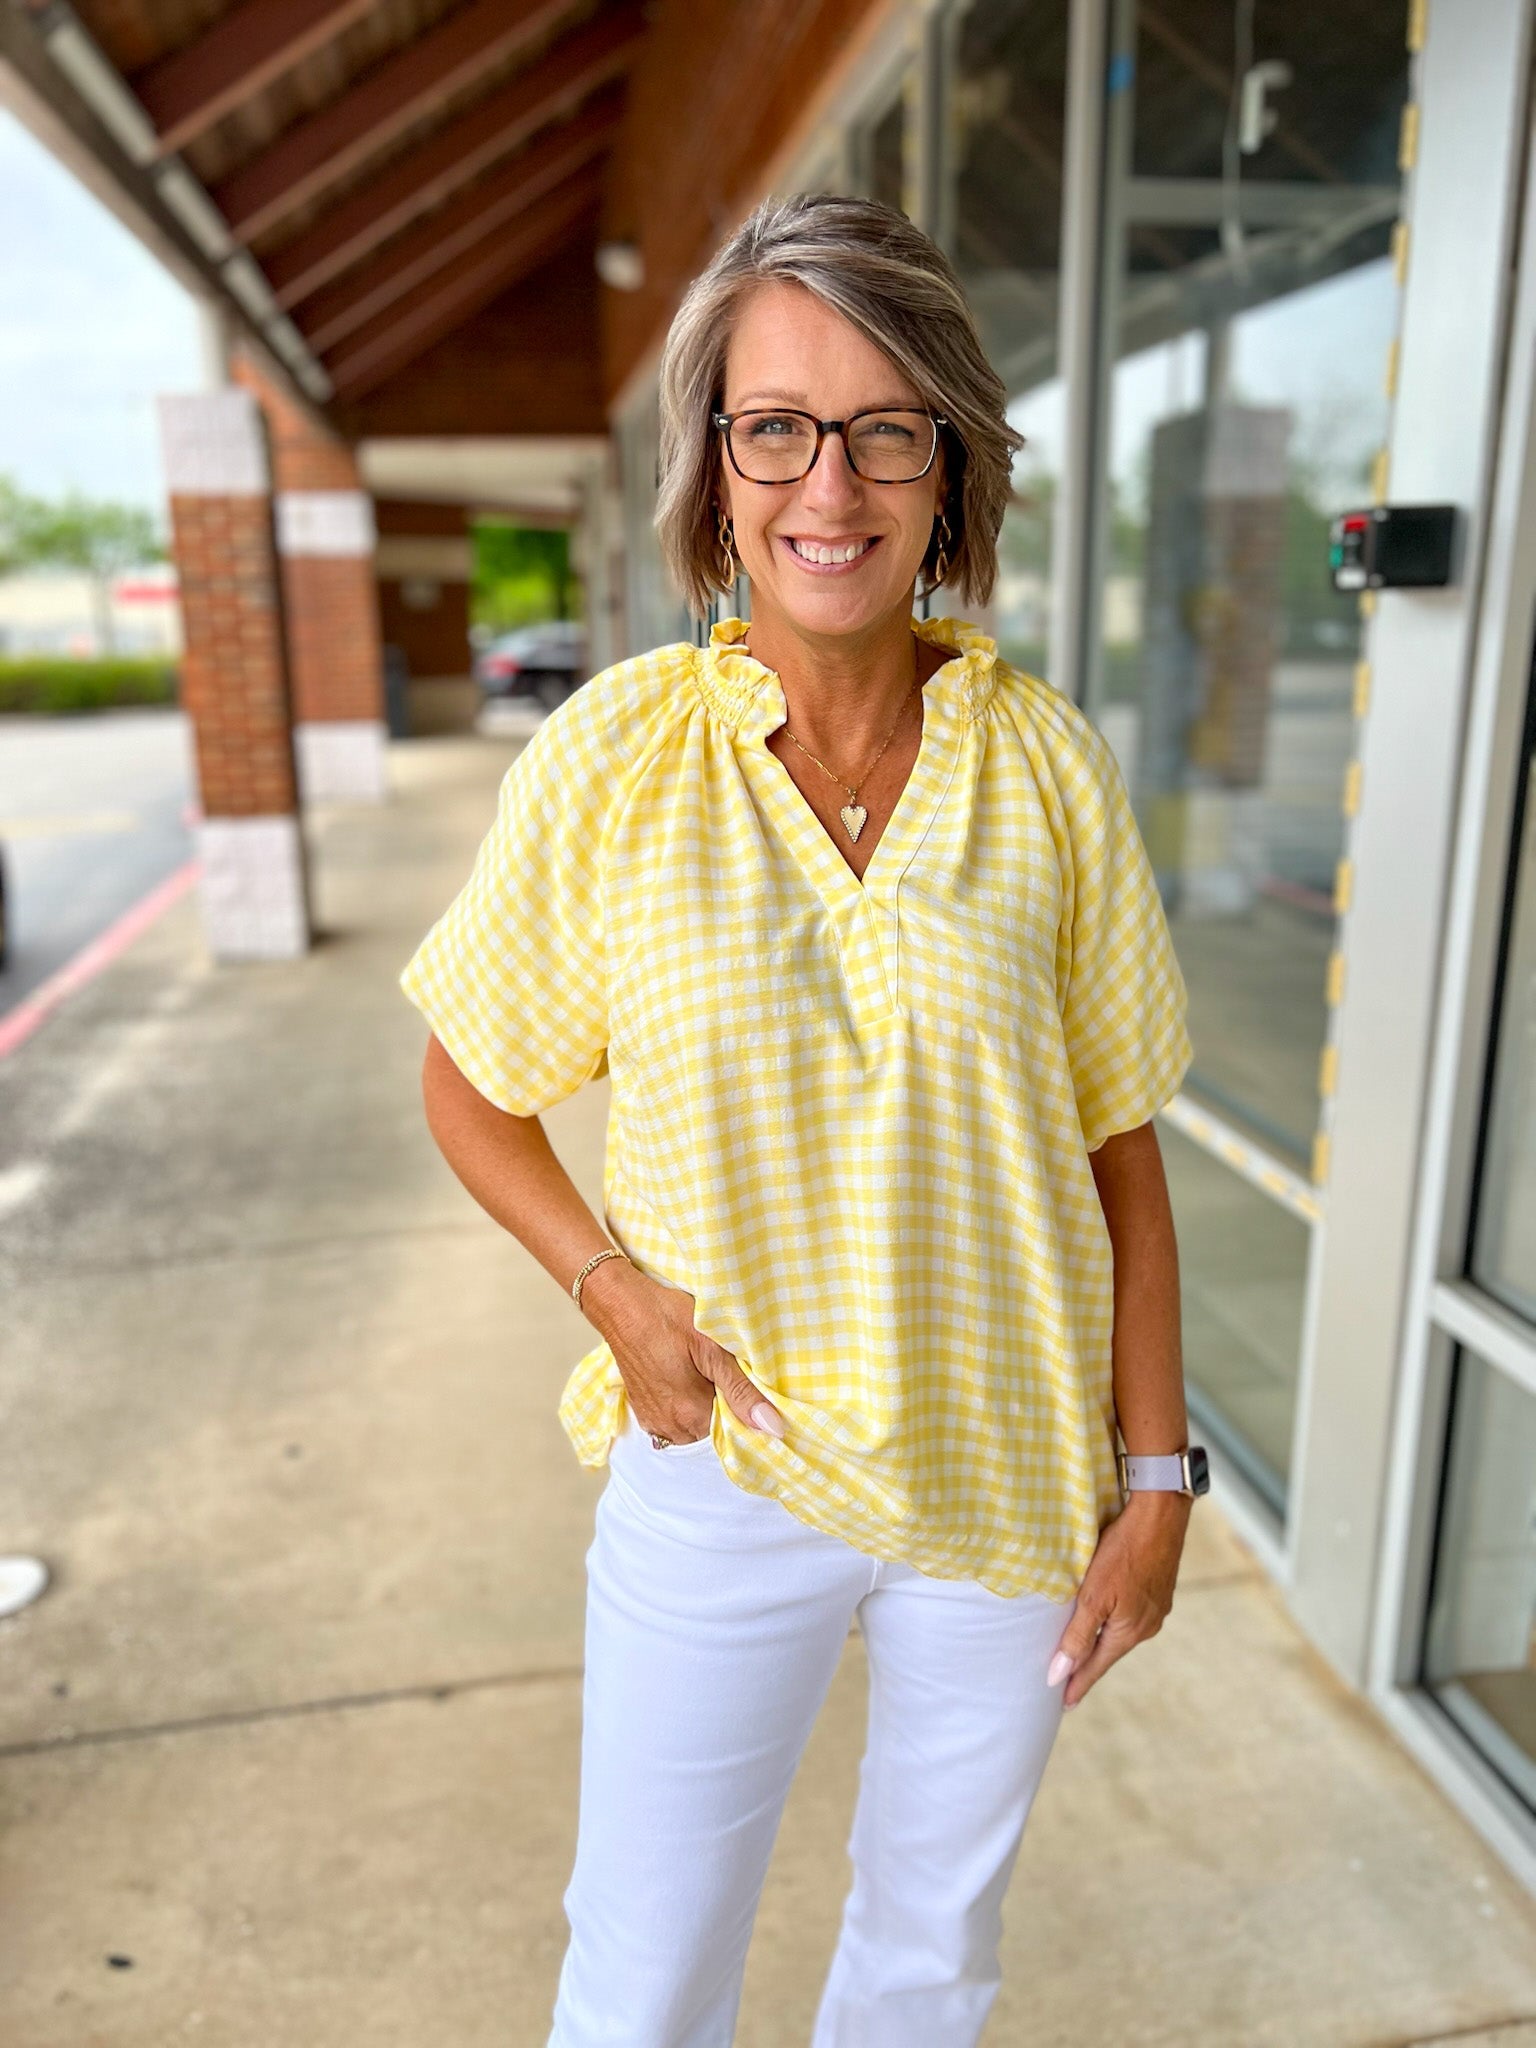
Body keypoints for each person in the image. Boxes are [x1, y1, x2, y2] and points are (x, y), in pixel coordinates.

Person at [400, 191, 1207, 2048]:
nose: (826, 485)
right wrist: (611, 1293)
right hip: (725, 1471)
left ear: (947, 468)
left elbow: (1121, 1150)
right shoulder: (616, 757)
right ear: (714, 462)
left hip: (1005, 1475)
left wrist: (1155, 1486)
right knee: (647, 1963)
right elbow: (471, 1075)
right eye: (776, 425)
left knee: (932, 1956)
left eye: (882, 427)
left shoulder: (1048, 763)